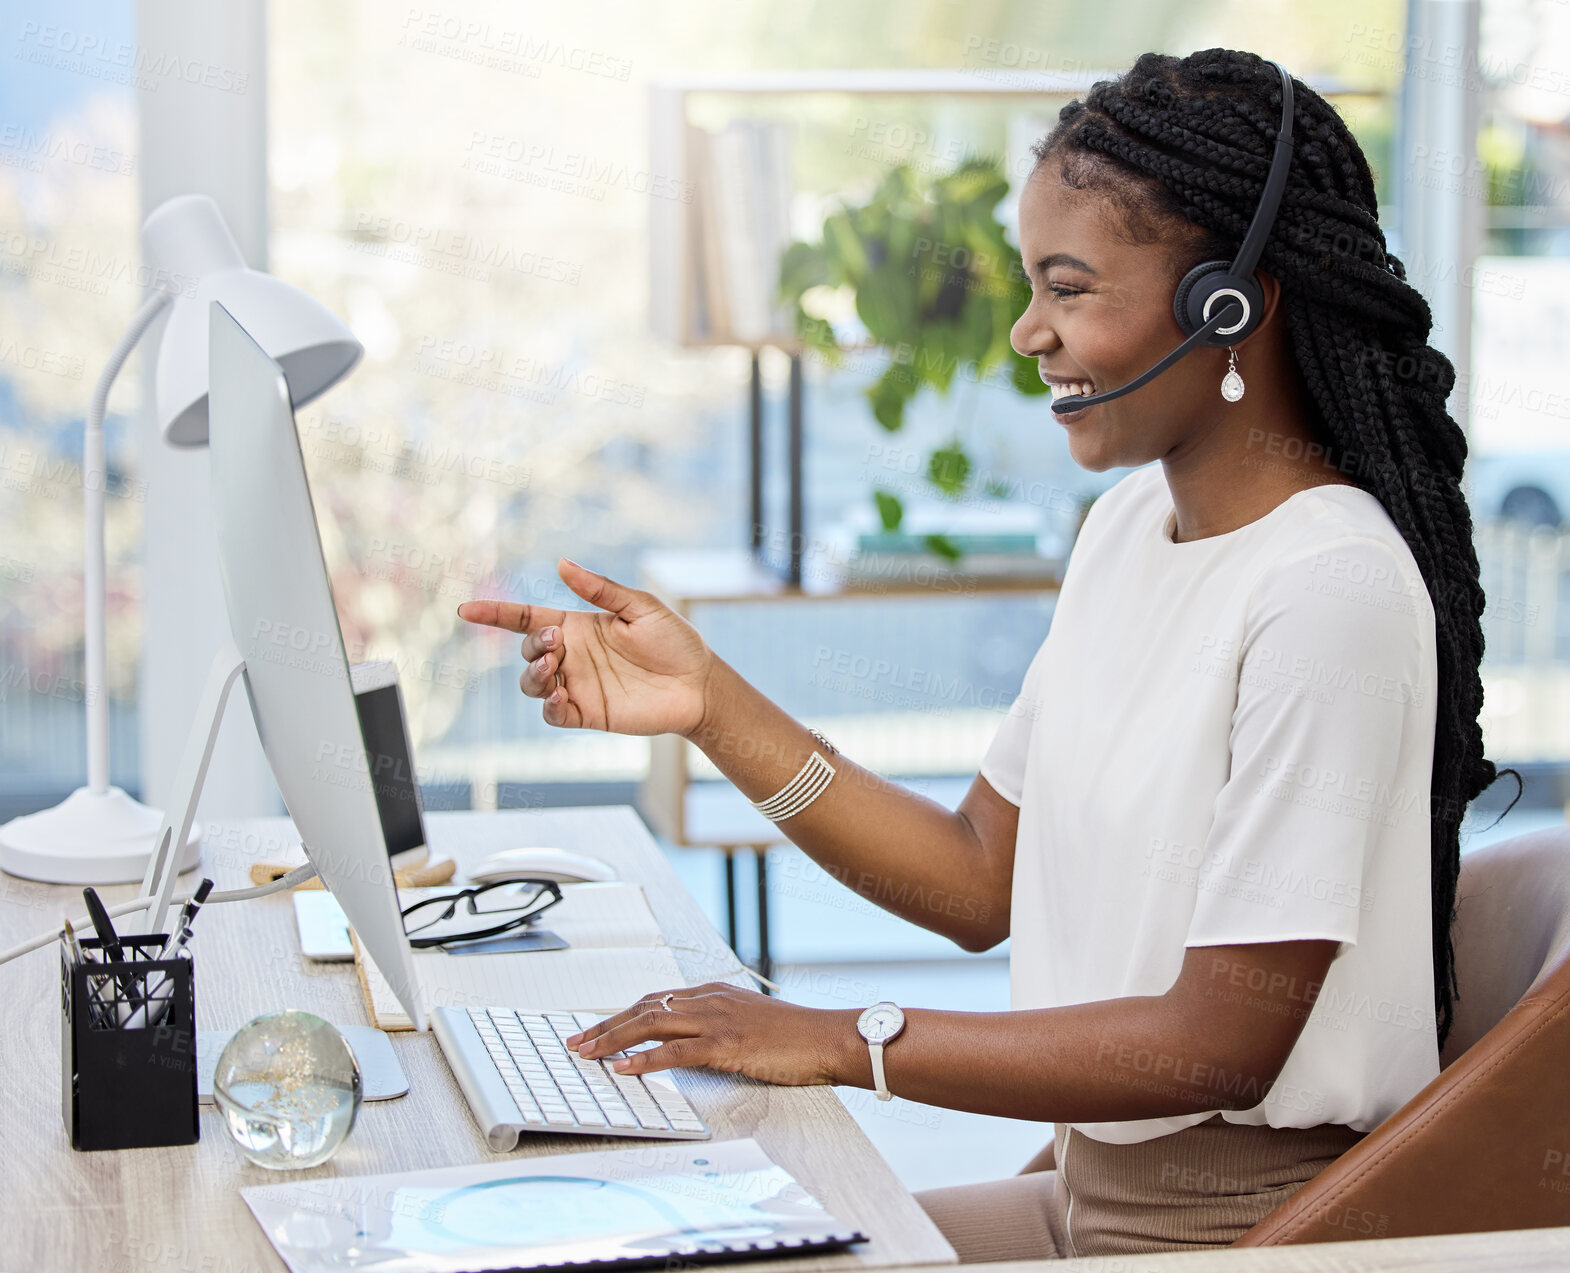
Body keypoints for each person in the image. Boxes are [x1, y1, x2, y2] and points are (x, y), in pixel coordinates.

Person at [457, 48, 1510, 1259]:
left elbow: (1223, 1041)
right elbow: (971, 881)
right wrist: (710, 705)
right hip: (1086, 1193)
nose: (1027, 332)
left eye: (1068, 290)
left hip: (1232, 1234)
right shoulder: (1126, 529)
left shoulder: (1327, 589)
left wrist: (843, 1037)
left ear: (1231, 303)